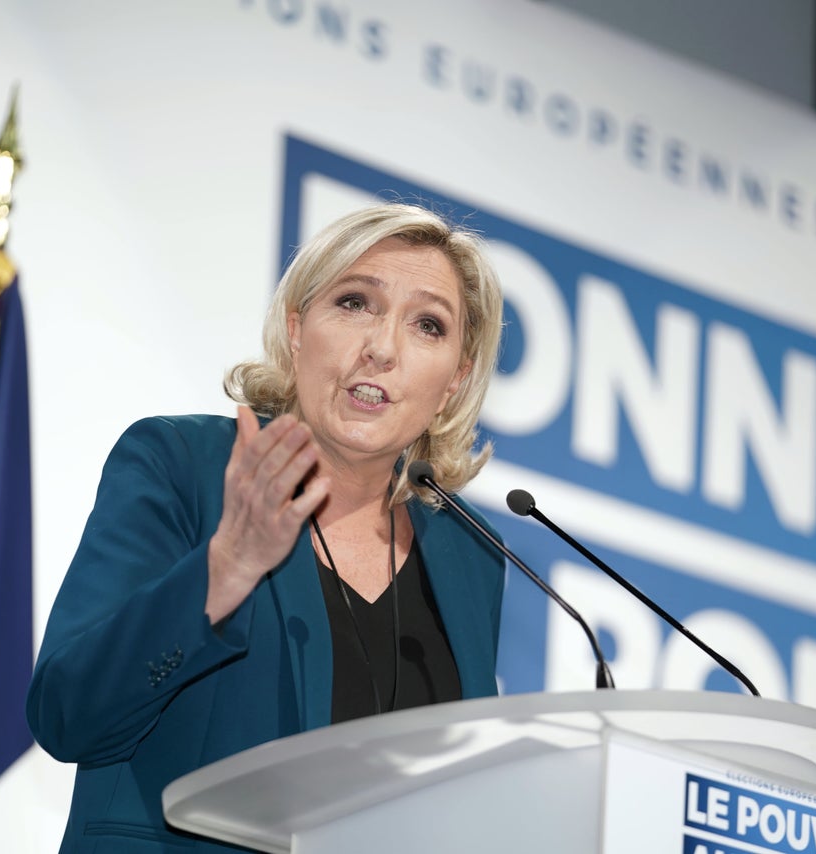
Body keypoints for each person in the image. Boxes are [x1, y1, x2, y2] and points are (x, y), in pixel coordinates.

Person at [27, 202, 507, 852]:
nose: (383, 348)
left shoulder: (469, 554)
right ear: (297, 327)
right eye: (355, 303)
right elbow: (66, 715)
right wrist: (225, 569)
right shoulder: (182, 466)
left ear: (454, 380)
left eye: (427, 324)